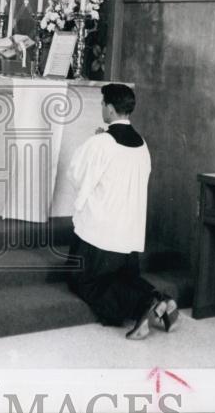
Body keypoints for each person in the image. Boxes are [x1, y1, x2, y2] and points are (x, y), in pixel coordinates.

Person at [66, 83, 179, 339]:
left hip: (101, 233)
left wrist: (96, 140)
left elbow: (77, 174)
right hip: (128, 234)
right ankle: (160, 300)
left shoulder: (102, 142)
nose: (102, 108)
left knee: (85, 281)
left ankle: (142, 307)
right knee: (121, 277)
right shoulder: (142, 144)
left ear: (109, 108)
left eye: (102, 104)